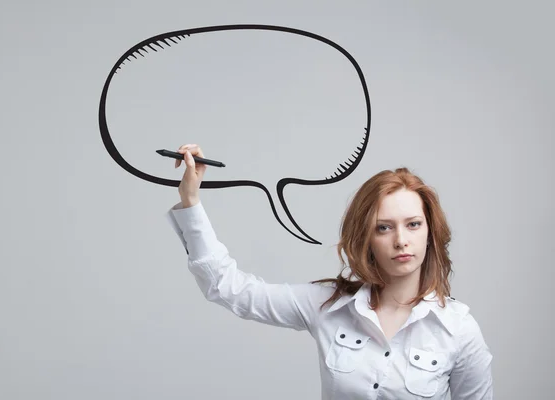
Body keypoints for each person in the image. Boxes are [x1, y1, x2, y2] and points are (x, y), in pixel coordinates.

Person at [164, 143, 494, 399]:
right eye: (384, 228)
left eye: (413, 224)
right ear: (366, 238)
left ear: (429, 231)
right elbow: (228, 287)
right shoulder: (329, 307)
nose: (401, 241)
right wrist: (191, 199)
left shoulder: (459, 330)